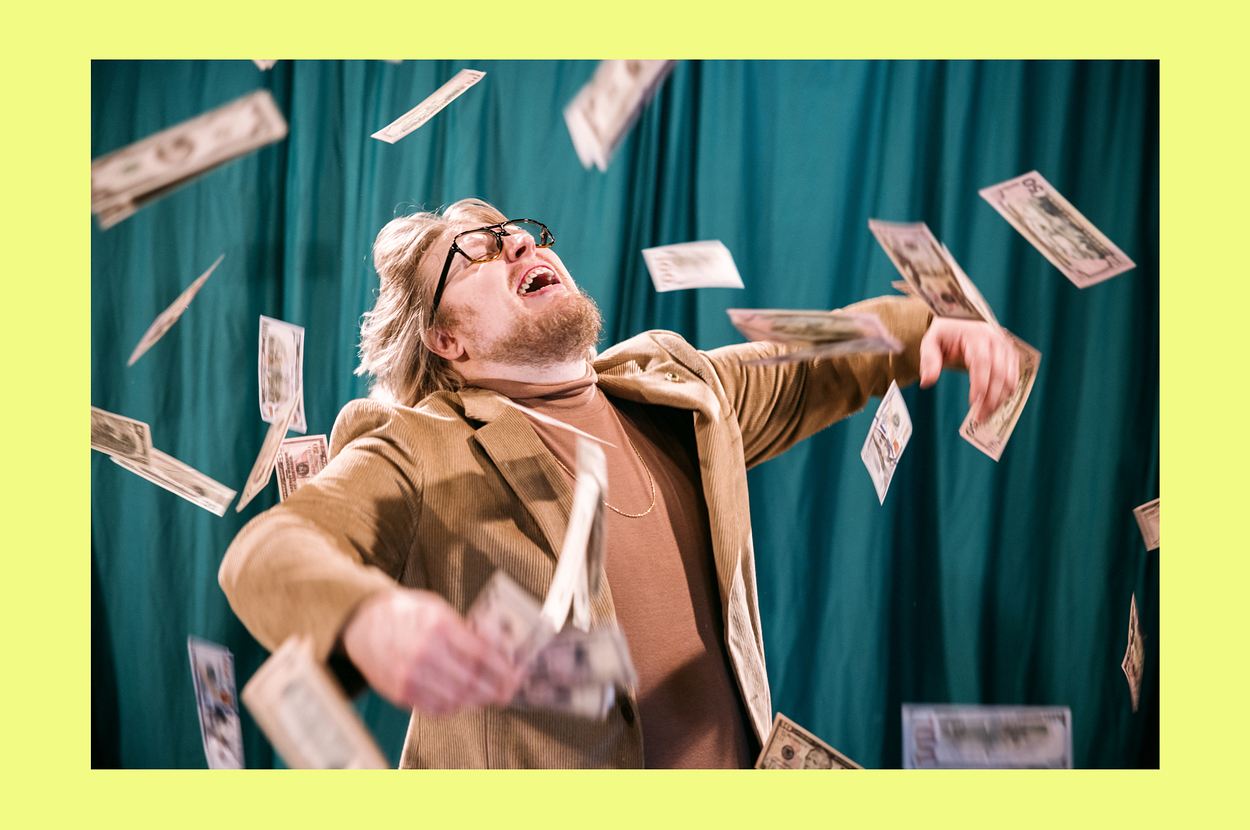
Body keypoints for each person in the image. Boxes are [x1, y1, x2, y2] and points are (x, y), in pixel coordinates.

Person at [219, 198, 1019, 769]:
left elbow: (808, 362)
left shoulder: (675, 384)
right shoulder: (420, 447)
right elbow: (265, 551)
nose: (518, 245)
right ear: (446, 340)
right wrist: (367, 616)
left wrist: (928, 329)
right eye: (479, 250)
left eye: (519, 232)